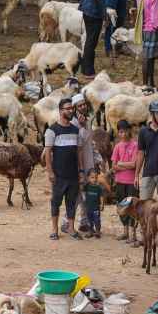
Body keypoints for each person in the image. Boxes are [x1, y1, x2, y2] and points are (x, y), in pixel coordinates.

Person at [44, 98, 84, 241]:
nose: (70, 111)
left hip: (73, 174)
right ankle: (54, 230)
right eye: (67, 109)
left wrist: (81, 171)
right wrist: (50, 172)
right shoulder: (52, 130)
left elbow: (79, 152)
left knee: (71, 202)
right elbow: (48, 152)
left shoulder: (76, 130)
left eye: (71, 108)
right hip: (58, 175)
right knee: (56, 202)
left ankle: (71, 228)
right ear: (60, 111)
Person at [72, 94, 99, 233]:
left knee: (87, 193)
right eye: (80, 105)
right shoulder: (74, 123)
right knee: (77, 193)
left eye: (84, 104)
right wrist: (81, 169)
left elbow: (91, 143)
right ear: (75, 108)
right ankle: (67, 221)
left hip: (90, 163)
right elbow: (79, 145)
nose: (83, 107)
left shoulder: (87, 121)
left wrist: (97, 160)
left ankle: (84, 221)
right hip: (79, 165)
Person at [134, 0, 158, 90]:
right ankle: (147, 85)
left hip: (143, 29)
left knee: (149, 58)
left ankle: (149, 84)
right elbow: (155, 19)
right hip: (152, 30)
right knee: (148, 59)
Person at [111, 120, 139, 242]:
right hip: (120, 181)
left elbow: (134, 164)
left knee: (133, 207)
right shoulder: (117, 146)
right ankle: (125, 232)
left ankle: (133, 234)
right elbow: (113, 166)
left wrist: (121, 163)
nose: (123, 134)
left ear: (129, 131)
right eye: (120, 132)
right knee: (122, 206)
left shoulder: (135, 145)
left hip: (132, 181)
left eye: (125, 131)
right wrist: (123, 165)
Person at [82, 169, 103, 238]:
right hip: (88, 208)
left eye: (96, 177)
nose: (94, 179)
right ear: (88, 178)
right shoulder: (87, 186)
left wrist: (102, 204)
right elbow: (82, 189)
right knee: (89, 220)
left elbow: (101, 196)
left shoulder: (99, 188)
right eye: (92, 177)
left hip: (96, 208)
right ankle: (90, 231)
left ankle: (97, 231)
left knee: (97, 220)